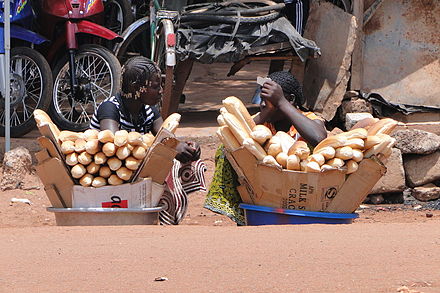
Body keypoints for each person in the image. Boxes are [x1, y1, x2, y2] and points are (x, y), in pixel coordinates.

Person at [90, 56, 205, 225]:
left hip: (134, 168)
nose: (161, 91)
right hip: (108, 170)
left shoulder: (148, 110)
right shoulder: (110, 108)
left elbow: (165, 138)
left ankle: (166, 216)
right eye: (155, 86)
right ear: (137, 88)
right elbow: (112, 146)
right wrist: (169, 148)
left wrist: (184, 147)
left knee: (185, 164)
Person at [204, 70, 327, 225]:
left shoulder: (308, 119)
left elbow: (319, 138)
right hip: (268, 190)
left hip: (302, 190)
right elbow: (235, 140)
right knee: (230, 148)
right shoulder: (265, 123)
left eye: (267, 100)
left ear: (290, 99)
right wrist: (266, 113)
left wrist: (281, 102)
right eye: (261, 100)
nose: (262, 105)